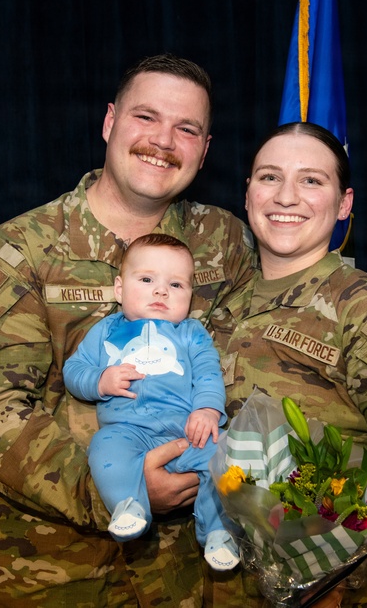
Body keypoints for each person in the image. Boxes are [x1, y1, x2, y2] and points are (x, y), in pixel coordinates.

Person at [0, 54, 258, 606]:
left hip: (193, 577)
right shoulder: (16, 255)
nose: (163, 141)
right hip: (48, 573)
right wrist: (118, 491)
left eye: (187, 129)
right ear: (110, 122)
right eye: (146, 117)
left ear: (205, 151)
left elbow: (248, 372)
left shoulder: (224, 243)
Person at [210, 122, 367, 608]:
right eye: (269, 177)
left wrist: (330, 573)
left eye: (311, 180)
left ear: (344, 203)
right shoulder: (216, 303)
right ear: (247, 194)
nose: (286, 196)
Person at [62, 233, 239, 571]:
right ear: (119, 288)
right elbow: (74, 370)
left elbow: (207, 373)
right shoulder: (105, 331)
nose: (161, 291)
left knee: (227, 456)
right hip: (128, 432)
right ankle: (129, 505)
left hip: (187, 432)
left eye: (176, 285)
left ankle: (219, 532)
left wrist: (206, 409)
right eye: (146, 280)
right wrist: (100, 380)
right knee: (103, 448)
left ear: (190, 295)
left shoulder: (191, 333)